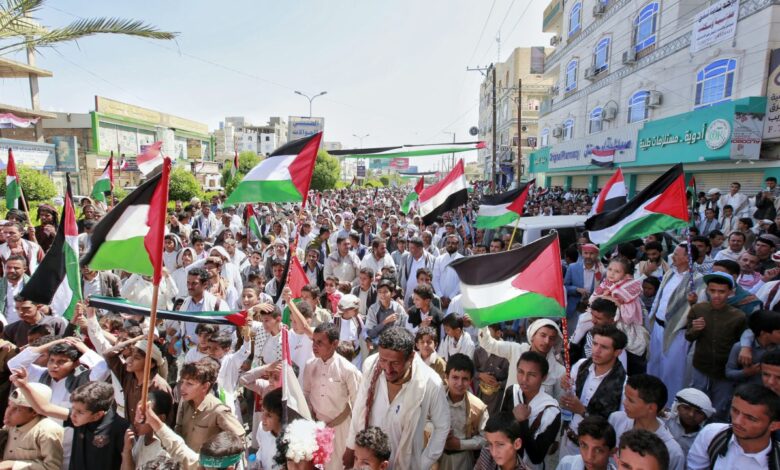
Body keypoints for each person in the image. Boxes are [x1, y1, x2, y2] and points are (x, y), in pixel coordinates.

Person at [345, 326, 449, 470]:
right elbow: (359, 408)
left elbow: (442, 427)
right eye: (383, 360)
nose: (387, 369)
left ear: (411, 357)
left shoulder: (431, 383)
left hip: (407, 464)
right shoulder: (371, 366)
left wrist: (422, 463)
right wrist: (351, 446)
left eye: (395, 363)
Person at [10, 374, 130, 470]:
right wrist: (23, 386)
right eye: (73, 409)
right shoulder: (78, 419)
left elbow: (127, 462)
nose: (73, 415)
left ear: (97, 415)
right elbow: (43, 408)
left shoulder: (120, 428)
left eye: (80, 412)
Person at [647, 244, 704, 407]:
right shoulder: (670, 273)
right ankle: (650, 401)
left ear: (688, 258)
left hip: (678, 332)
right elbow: (659, 299)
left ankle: (669, 407)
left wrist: (694, 303)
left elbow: (699, 310)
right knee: (654, 365)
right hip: (657, 328)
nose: (672, 257)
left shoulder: (698, 281)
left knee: (672, 372)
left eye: (677, 254)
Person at [686, 272, 748, 420]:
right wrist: (695, 330)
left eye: (721, 292)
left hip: (724, 372)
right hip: (701, 366)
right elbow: (688, 336)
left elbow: (741, 343)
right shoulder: (698, 309)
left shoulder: (738, 316)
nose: (716, 295)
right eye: (712, 291)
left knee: (719, 409)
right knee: (696, 404)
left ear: (730, 293)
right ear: (707, 290)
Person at [559, 325, 627, 458]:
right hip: (569, 442)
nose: (596, 350)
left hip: (596, 452)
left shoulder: (624, 384)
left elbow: (618, 426)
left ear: (617, 352)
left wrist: (583, 411)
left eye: (604, 347)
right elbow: (569, 394)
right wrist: (565, 386)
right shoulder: (581, 365)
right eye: (595, 344)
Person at [303, 322, 361, 470]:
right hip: (316, 426)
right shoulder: (310, 365)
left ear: (334, 344)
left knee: (339, 465)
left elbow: (358, 405)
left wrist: (356, 439)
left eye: (320, 342)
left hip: (341, 428)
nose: (314, 346)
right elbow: (306, 394)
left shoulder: (348, 370)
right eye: (313, 342)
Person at [687, 383, 780, 469]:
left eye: (751, 418)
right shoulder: (712, 434)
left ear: (774, 425)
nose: (737, 421)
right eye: (735, 411)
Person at [607, 374, 685, 470]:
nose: (624, 403)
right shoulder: (616, 419)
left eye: (631, 400)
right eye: (625, 397)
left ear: (651, 408)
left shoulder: (673, 451)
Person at [500, 351, 562, 469]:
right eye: (520, 372)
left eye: (532, 375)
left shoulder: (552, 411)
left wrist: (523, 422)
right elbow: (500, 427)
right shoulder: (512, 391)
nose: (524, 379)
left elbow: (537, 457)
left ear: (544, 377)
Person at [479, 318, 565, 398]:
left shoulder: (559, 370)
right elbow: (488, 344)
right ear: (532, 336)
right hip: (510, 411)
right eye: (543, 335)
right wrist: (482, 322)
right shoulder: (516, 350)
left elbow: (559, 403)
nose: (547, 341)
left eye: (552, 338)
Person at [174, 359, 245, 453]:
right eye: (182, 382)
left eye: (189, 384)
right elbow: (179, 430)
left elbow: (239, 438)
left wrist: (217, 458)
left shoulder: (218, 411)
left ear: (205, 386)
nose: (182, 387)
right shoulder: (185, 404)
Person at [438, 353, 487, 470]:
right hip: (436, 458)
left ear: (470, 380)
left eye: (465, 379)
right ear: (446, 377)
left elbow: (486, 438)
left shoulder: (478, 407)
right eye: (455, 377)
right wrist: (436, 431)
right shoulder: (435, 398)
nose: (460, 384)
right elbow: (423, 420)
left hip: (463, 459)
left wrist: (460, 444)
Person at [0, 382, 64, 470]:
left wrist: (12, 465)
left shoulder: (47, 431)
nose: (8, 413)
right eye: (9, 406)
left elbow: (52, 467)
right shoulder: (11, 425)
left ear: (34, 412)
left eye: (17, 409)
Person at [120, 390, 174, 469]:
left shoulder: (165, 451)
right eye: (136, 415)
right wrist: (127, 450)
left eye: (143, 417)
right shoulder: (144, 436)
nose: (135, 422)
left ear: (161, 418)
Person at [564, 243, 603, 335]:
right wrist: (576, 289)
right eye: (586, 253)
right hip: (574, 309)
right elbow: (565, 287)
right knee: (572, 336)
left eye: (591, 253)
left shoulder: (601, 271)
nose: (588, 256)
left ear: (596, 255)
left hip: (592, 311)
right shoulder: (573, 268)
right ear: (582, 254)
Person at [663, 388, 714, 458]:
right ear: (677, 407)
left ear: (705, 417)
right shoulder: (663, 421)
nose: (691, 414)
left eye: (698, 412)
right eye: (686, 408)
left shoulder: (705, 438)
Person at [365, 279, 408, 344]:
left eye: (385, 292)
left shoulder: (398, 308)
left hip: (396, 343)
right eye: (379, 292)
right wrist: (385, 322)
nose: (382, 295)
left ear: (392, 293)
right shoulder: (373, 309)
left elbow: (405, 328)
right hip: (378, 344)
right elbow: (370, 333)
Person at [399, 237, 435, 304]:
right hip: (408, 294)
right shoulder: (405, 257)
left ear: (420, 248)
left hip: (424, 295)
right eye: (409, 247)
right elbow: (400, 275)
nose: (409, 250)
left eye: (412, 248)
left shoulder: (431, 259)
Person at [432, 234, 463, 310]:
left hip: (455, 299)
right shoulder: (439, 259)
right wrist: (440, 296)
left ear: (457, 245)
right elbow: (435, 279)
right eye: (448, 243)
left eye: (453, 243)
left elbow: (462, 282)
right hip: (440, 300)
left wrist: (450, 298)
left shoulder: (462, 260)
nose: (450, 245)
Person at [0, 254, 29, 325]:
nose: (12, 270)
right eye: (8, 267)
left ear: (25, 269)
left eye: (16, 268)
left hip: (26, 328)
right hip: (4, 329)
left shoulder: (33, 285)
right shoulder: (1, 284)